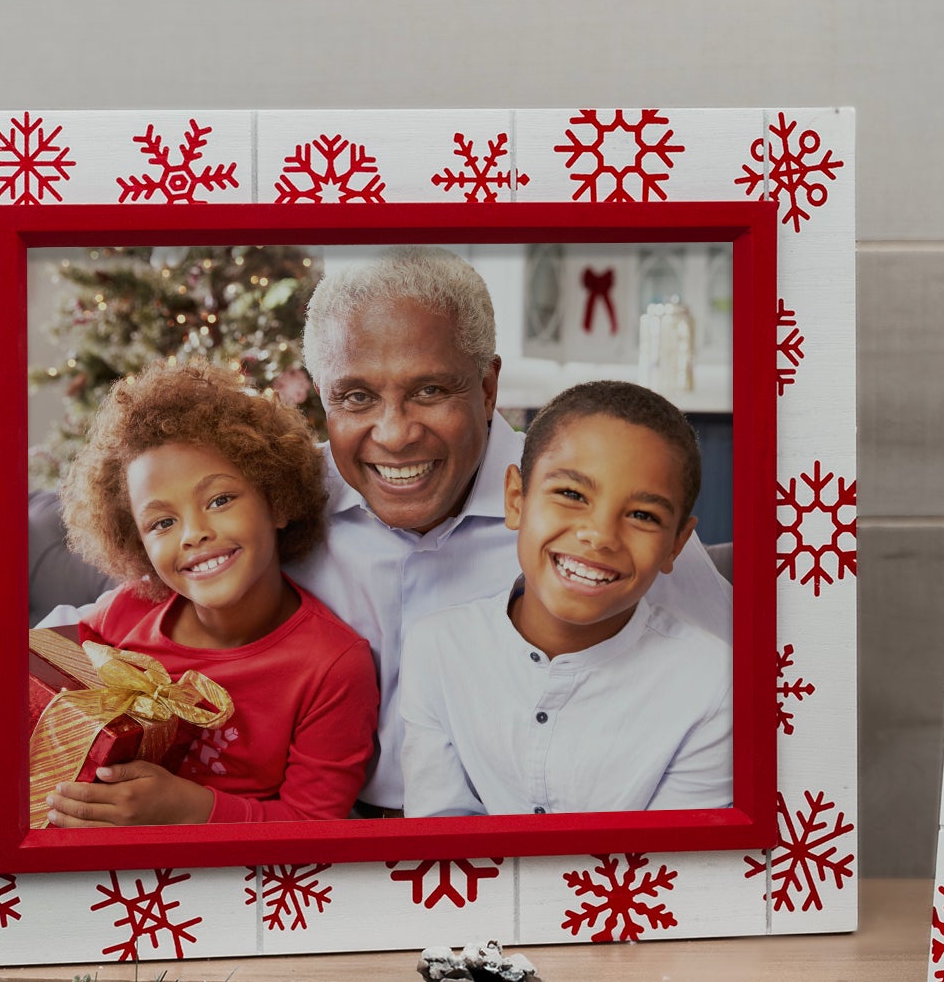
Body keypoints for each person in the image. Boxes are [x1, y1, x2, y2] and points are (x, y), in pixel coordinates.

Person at [284, 248, 732, 815]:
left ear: (488, 386)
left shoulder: (585, 502)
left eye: (430, 391)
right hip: (314, 825)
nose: (395, 434)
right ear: (322, 397)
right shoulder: (280, 504)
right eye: (355, 397)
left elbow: (725, 683)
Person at [45, 361, 380, 826]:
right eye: (162, 522)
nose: (194, 534)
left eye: (219, 500)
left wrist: (187, 809)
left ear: (277, 501)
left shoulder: (333, 666)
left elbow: (313, 825)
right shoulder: (124, 616)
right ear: (136, 542)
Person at [398, 381, 733, 817]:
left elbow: (671, 868)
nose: (599, 536)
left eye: (642, 516)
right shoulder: (438, 647)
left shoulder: (711, 684)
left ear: (676, 544)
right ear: (516, 499)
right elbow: (439, 832)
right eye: (572, 495)